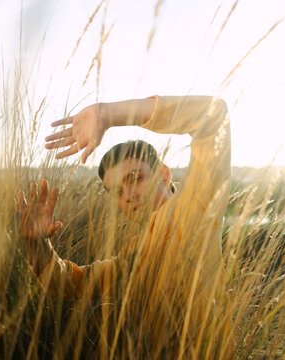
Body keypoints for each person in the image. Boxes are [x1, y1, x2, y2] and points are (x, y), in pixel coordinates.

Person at [17, 95, 231, 352]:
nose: (128, 197)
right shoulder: (134, 252)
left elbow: (214, 116)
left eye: (136, 178)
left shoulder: (194, 208)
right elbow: (74, 284)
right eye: (117, 192)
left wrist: (109, 114)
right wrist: (37, 245)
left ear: (163, 174)